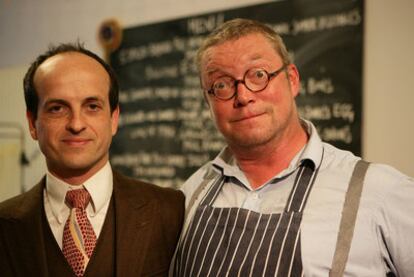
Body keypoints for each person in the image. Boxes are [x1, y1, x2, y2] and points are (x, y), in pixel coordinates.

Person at [171, 18, 414, 276]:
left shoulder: (380, 193)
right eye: (221, 84)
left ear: (292, 79)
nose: (243, 96)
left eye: (258, 75)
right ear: (208, 101)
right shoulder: (190, 193)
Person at [0, 43, 184, 277]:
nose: (76, 124)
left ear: (114, 119)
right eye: (57, 108)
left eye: (92, 106)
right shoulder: (4, 224)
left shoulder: (170, 211)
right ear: (32, 123)